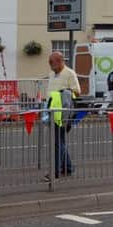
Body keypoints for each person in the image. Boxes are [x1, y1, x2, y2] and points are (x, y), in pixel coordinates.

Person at [44, 52, 80, 182]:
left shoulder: (70, 73)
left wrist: (63, 94)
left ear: (59, 61)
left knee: (57, 142)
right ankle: (68, 167)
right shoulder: (51, 74)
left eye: (51, 62)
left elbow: (77, 91)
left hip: (63, 114)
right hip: (52, 111)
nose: (50, 65)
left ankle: (55, 172)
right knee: (60, 141)